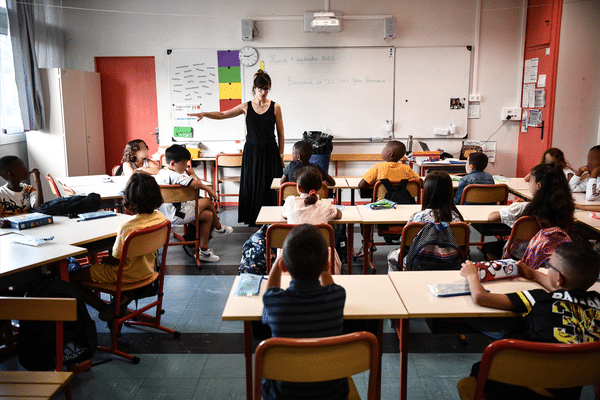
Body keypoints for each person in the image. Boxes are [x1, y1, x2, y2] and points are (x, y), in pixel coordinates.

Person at [460, 242, 600, 399]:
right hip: (570, 388)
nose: (546, 269)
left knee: (479, 369)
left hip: (527, 390)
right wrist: (532, 273)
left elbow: (481, 297)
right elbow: (565, 289)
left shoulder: (538, 298)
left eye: (549, 266)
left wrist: (472, 275)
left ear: (559, 277)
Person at [261, 224, 347, 400]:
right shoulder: (338, 296)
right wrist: (325, 267)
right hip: (332, 394)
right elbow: (330, 286)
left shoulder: (276, 302)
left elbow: (270, 292)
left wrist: (277, 266)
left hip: (285, 395)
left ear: (284, 265)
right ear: (327, 265)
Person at [188, 69, 284, 225]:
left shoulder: (275, 107)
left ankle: (273, 221)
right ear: (254, 88)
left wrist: (280, 156)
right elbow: (222, 115)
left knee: (270, 186)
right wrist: (204, 114)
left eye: (266, 88)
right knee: (253, 185)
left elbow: (281, 133)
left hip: (270, 151)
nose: (263, 92)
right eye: (261, 88)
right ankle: (254, 220)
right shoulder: (246, 107)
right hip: (252, 152)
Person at [70, 173, 166, 321]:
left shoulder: (127, 227)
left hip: (124, 275)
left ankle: (107, 310)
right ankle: (120, 302)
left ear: (128, 198)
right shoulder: (161, 219)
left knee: (70, 279)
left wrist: (104, 261)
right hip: (147, 270)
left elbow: (116, 260)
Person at [154, 145, 232, 262]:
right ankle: (218, 228)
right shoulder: (176, 176)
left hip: (164, 215)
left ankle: (204, 251)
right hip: (178, 214)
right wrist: (193, 174)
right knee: (206, 201)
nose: (186, 166)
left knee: (208, 216)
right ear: (172, 163)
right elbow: (197, 183)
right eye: (184, 163)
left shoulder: (162, 173)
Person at [486, 163, 574, 260]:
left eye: (530, 181)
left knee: (487, 247)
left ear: (538, 185)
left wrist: (512, 206)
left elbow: (492, 217)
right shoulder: (566, 210)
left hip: (520, 256)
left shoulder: (523, 208)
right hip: (551, 257)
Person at [282, 165, 342, 274]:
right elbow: (339, 215)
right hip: (321, 257)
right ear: (320, 187)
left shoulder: (290, 202)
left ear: (299, 187)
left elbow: (284, 215)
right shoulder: (325, 205)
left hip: (293, 255)